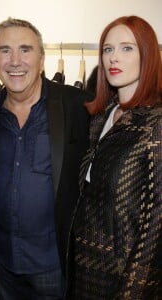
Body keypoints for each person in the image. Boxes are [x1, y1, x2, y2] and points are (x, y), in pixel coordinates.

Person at [0, 17, 93, 299]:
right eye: (5, 50)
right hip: (3, 261)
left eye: (25, 49)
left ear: (41, 59)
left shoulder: (76, 105)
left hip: (53, 265)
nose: (15, 61)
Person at [67, 15, 162, 299]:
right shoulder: (102, 116)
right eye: (108, 49)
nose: (113, 58)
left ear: (147, 55)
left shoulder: (155, 124)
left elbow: (156, 226)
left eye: (126, 48)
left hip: (123, 277)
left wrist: (131, 291)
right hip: (83, 267)